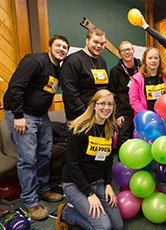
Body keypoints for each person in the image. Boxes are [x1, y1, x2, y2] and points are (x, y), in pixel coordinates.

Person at [3, 35, 70, 220]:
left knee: (44, 154)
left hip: (41, 116)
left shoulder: (58, 70)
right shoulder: (34, 61)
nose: (61, 49)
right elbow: (15, 87)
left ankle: (42, 188)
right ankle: (30, 200)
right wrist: (18, 116)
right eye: (58, 45)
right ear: (50, 47)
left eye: (65, 47)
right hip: (23, 115)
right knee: (28, 158)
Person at [56, 89, 123, 230]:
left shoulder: (110, 128)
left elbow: (108, 160)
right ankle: (67, 213)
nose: (106, 108)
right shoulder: (80, 128)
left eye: (110, 104)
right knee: (104, 227)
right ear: (94, 105)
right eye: (102, 103)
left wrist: (108, 184)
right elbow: (72, 164)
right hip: (75, 184)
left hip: (98, 182)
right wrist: (89, 194)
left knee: (117, 226)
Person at [61, 27, 109, 121]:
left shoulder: (102, 61)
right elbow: (69, 93)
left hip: (101, 116)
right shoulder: (73, 60)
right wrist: (86, 114)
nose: (99, 46)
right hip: (80, 118)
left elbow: (105, 88)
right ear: (87, 41)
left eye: (102, 44)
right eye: (95, 42)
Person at [109, 41, 141, 150]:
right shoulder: (115, 71)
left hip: (140, 111)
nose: (127, 52)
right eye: (123, 50)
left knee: (141, 141)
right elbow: (113, 94)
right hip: (125, 114)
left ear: (133, 50)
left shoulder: (142, 67)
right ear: (120, 53)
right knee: (124, 143)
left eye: (129, 49)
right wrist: (117, 115)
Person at [128, 47, 166, 114]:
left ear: (160, 60)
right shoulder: (137, 79)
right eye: (150, 58)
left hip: (164, 117)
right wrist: (146, 115)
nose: (153, 61)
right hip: (145, 118)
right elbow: (134, 100)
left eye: (156, 58)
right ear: (145, 60)